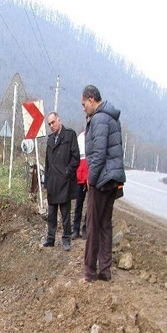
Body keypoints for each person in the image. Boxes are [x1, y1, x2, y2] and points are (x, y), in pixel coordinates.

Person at [81, 85, 126, 282]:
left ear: (92, 99)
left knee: (93, 225)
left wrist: (90, 180)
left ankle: (90, 271)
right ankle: (105, 270)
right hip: (113, 179)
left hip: (101, 180)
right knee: (106, 224)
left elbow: (98, 154)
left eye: (84, 104)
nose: (83, 108)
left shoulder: (99, 119)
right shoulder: (112, 117)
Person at [42, 111, 80, 251]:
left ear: (59, 120)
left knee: (65, 213)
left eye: (53, 122)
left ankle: (66, 240)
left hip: (65, 183)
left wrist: (67, 173)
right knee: (51, 214)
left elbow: (75, 158)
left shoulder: (70, 135)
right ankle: (50, 239)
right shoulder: (50, 139)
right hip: (52, 181)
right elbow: (47, 163)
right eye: (49, 124)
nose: (51, 126)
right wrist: (46, 181)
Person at [72, 126, 89, 239]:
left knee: (90, 204)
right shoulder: (80, 138)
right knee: (79, 204)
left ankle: (86, 228)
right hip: (80, 175)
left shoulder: (96, 137)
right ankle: (76, 229)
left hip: (91, 175)